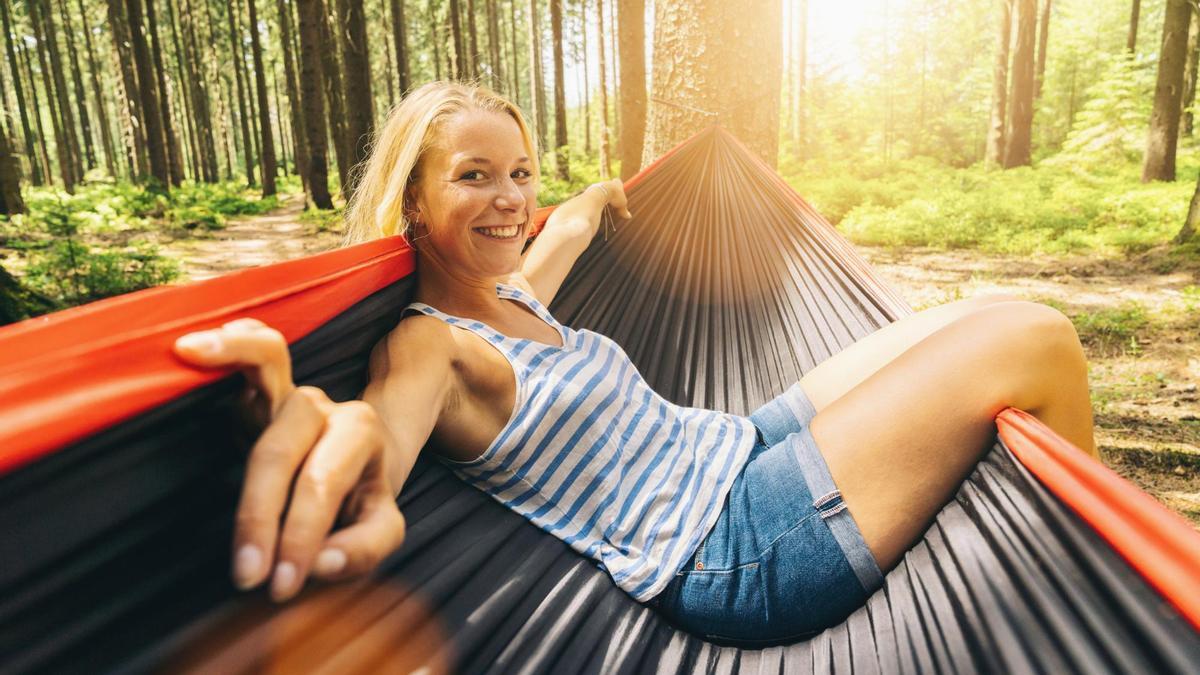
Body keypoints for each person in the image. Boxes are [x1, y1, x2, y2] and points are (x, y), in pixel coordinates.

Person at [172, 81, 1096, 644]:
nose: (509, 199)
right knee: (1033, 337)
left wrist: (598, 195)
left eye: (520, 171)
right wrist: (341, 451)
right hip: (731, 545)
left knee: (971, 316)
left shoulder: (516, 288)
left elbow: (565, 226)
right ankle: (1086, 599)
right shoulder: (435, 345)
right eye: (472, 175)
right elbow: (383, 418)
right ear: (412, 201)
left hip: (742, 443)